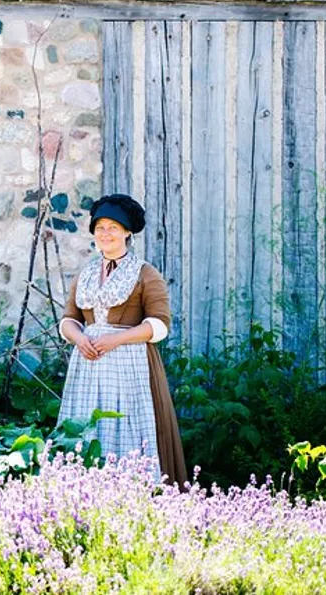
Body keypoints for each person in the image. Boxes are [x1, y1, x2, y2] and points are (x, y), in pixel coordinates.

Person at [57, 193, 187, 485]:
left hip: (130, 365)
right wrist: (79, 339)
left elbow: (159, 325)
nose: (105, 234)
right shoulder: (86, 274)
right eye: (100, 227)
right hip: (88, 364)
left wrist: (116, 340)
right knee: (86, 423)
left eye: (113, 227)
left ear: (127, 232)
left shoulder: (145, 274)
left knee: (127, 423)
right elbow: (68, 320)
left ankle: (133, 487)